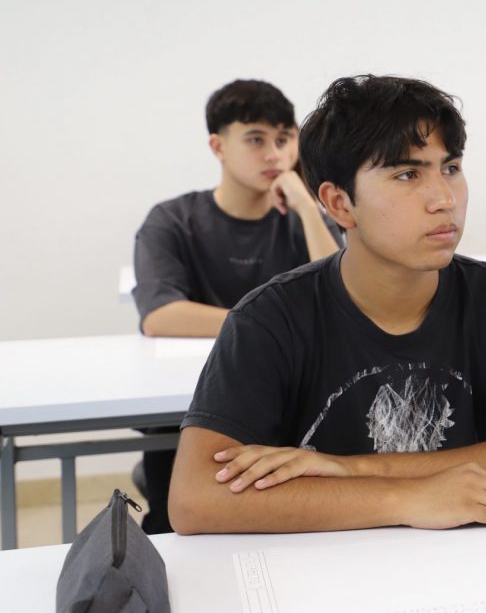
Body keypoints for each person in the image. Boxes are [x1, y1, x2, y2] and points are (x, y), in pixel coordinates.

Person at [168, 75, 486, 535]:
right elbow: (195, 499)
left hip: (466, 558)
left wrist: (352, 469)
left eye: (451, 168)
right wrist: (410, 498)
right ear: (340, 204)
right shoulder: (269, 318)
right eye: (407, 175)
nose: (444, 199)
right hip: (319, 566)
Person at [131, 79, 343, 534]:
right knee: (178, 510)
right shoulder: (173, 221)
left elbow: (343, 297)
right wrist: (267, 325)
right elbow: (161, 316)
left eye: (284, 139)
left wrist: (309, 209)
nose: (274, 155)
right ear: (218, 146)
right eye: (255, 140)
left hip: (288, 396)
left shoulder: (304, 222)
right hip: (188, 402)